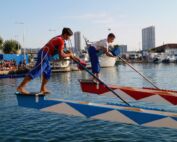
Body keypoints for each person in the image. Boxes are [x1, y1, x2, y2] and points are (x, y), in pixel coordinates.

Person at [17, 27, 75, 95]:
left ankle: (42, 88)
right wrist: (69, 54)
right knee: (37, 71)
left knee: (48, 73)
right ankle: (20, 87)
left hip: (46, 55)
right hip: (44, 54)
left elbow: (59, 50)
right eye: (69, 36)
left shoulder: (58, 38)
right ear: (65, 34)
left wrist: (68, 53)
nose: (69, 38)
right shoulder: (61, 40)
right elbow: (61, 55)